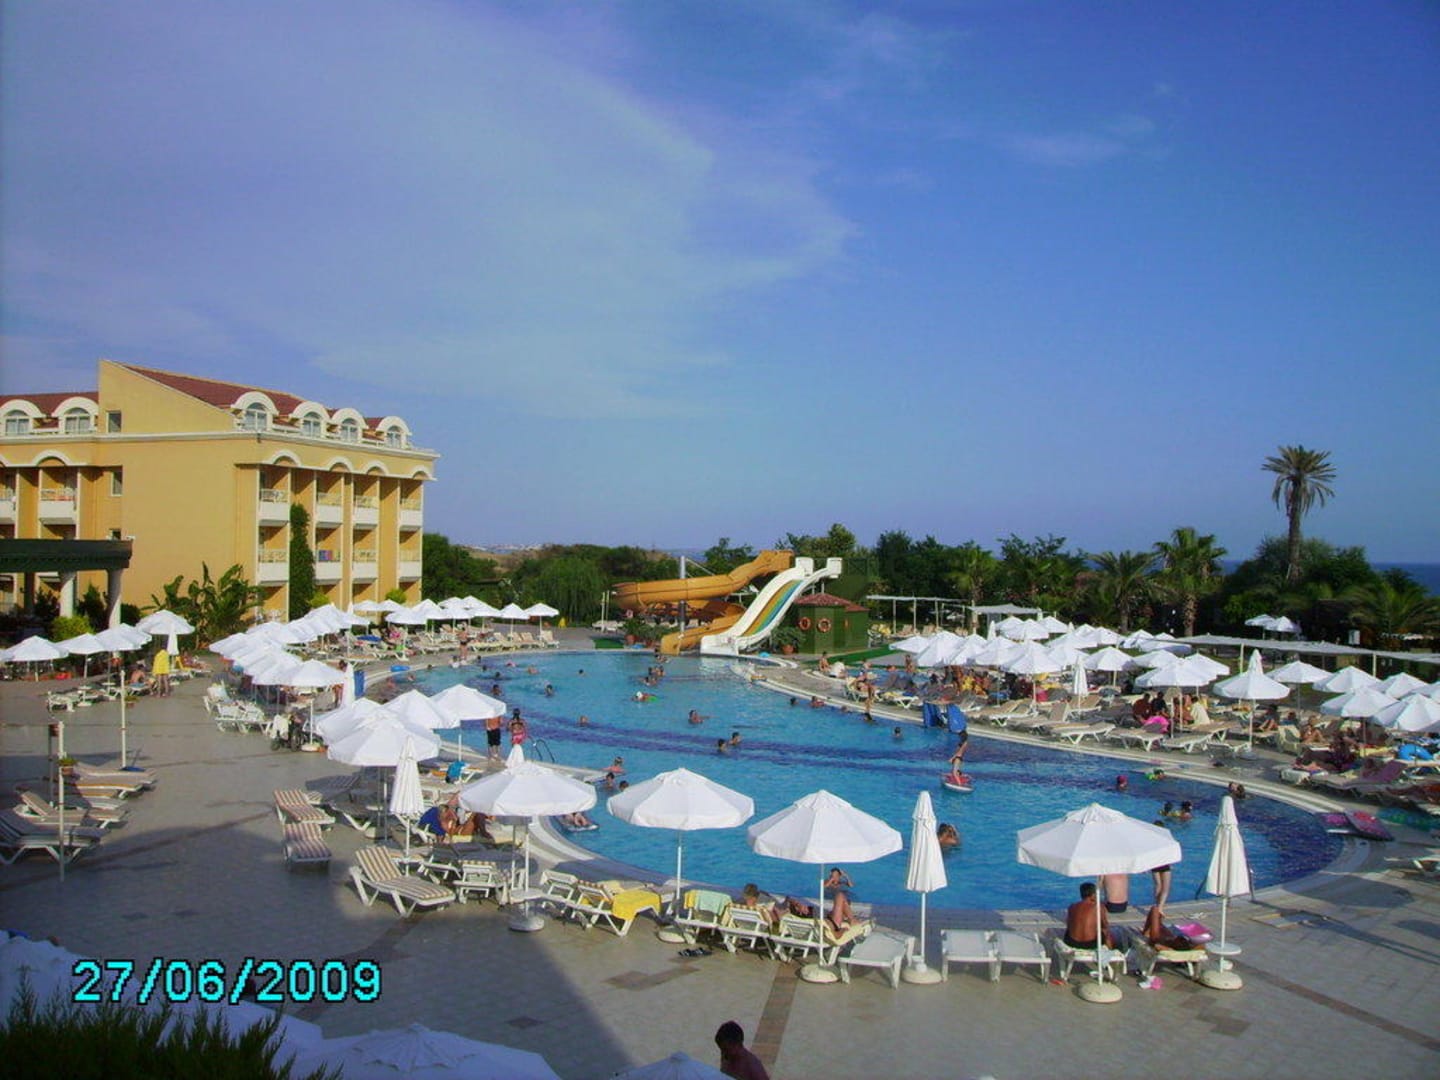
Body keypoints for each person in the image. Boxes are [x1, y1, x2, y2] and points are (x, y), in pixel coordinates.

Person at [1063, 881, 1114, 949]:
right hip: (1090, 944)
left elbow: (1069, 925)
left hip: (1072, 942)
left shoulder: (1072, 906)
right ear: (1093, 894)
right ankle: (1110, 950)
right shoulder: (1099, 907)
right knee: (1106, 931)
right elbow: (1104, 925)